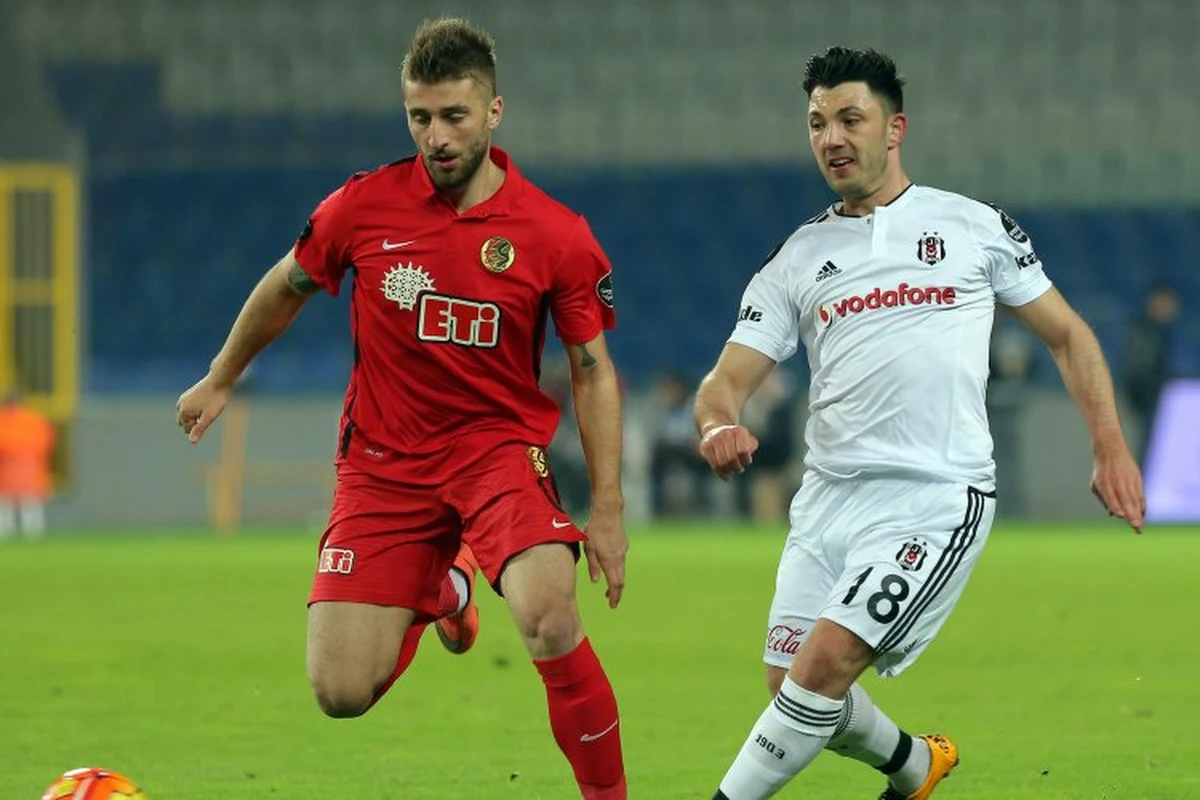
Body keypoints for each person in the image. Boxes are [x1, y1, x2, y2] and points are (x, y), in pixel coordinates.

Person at [174, 18, 628, 799]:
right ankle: (448, 590)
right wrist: (221, 375)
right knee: (339, 692)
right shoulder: (363, 206)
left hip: (496, 455)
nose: (437, 137)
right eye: (420, 117)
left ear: (494, 112)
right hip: (384, 466)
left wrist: (610, 508)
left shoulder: (557, 236)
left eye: (454, 115)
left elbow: (591, 370)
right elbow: (287, 286)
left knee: (550, 614)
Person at [693, 46, 1145, 800]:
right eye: (816, 123)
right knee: (791, 685)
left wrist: (1110, 447)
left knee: (823, 667)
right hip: (828, 502)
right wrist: (716, 425)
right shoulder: (797, 258)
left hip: (934, 496)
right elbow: (724, 383)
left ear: (895, 126)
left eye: (849, 118)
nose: (831, 138)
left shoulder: (971, 226)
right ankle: (913, 766)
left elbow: (1067, 335)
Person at [1121, 284, 1180, 464]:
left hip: (1153, 399)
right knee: (1144, 451)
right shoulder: (1143, 331)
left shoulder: (1160, 333)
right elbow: (1137, 370)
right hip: (1144, 400)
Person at [0, 391, 56, 539]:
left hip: (21, 467)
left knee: (27, 503)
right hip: (16, 467)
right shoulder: (33, 421)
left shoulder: (32, 421)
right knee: (9, 504)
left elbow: (45, 443)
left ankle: (30, 535)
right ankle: (20, 535)